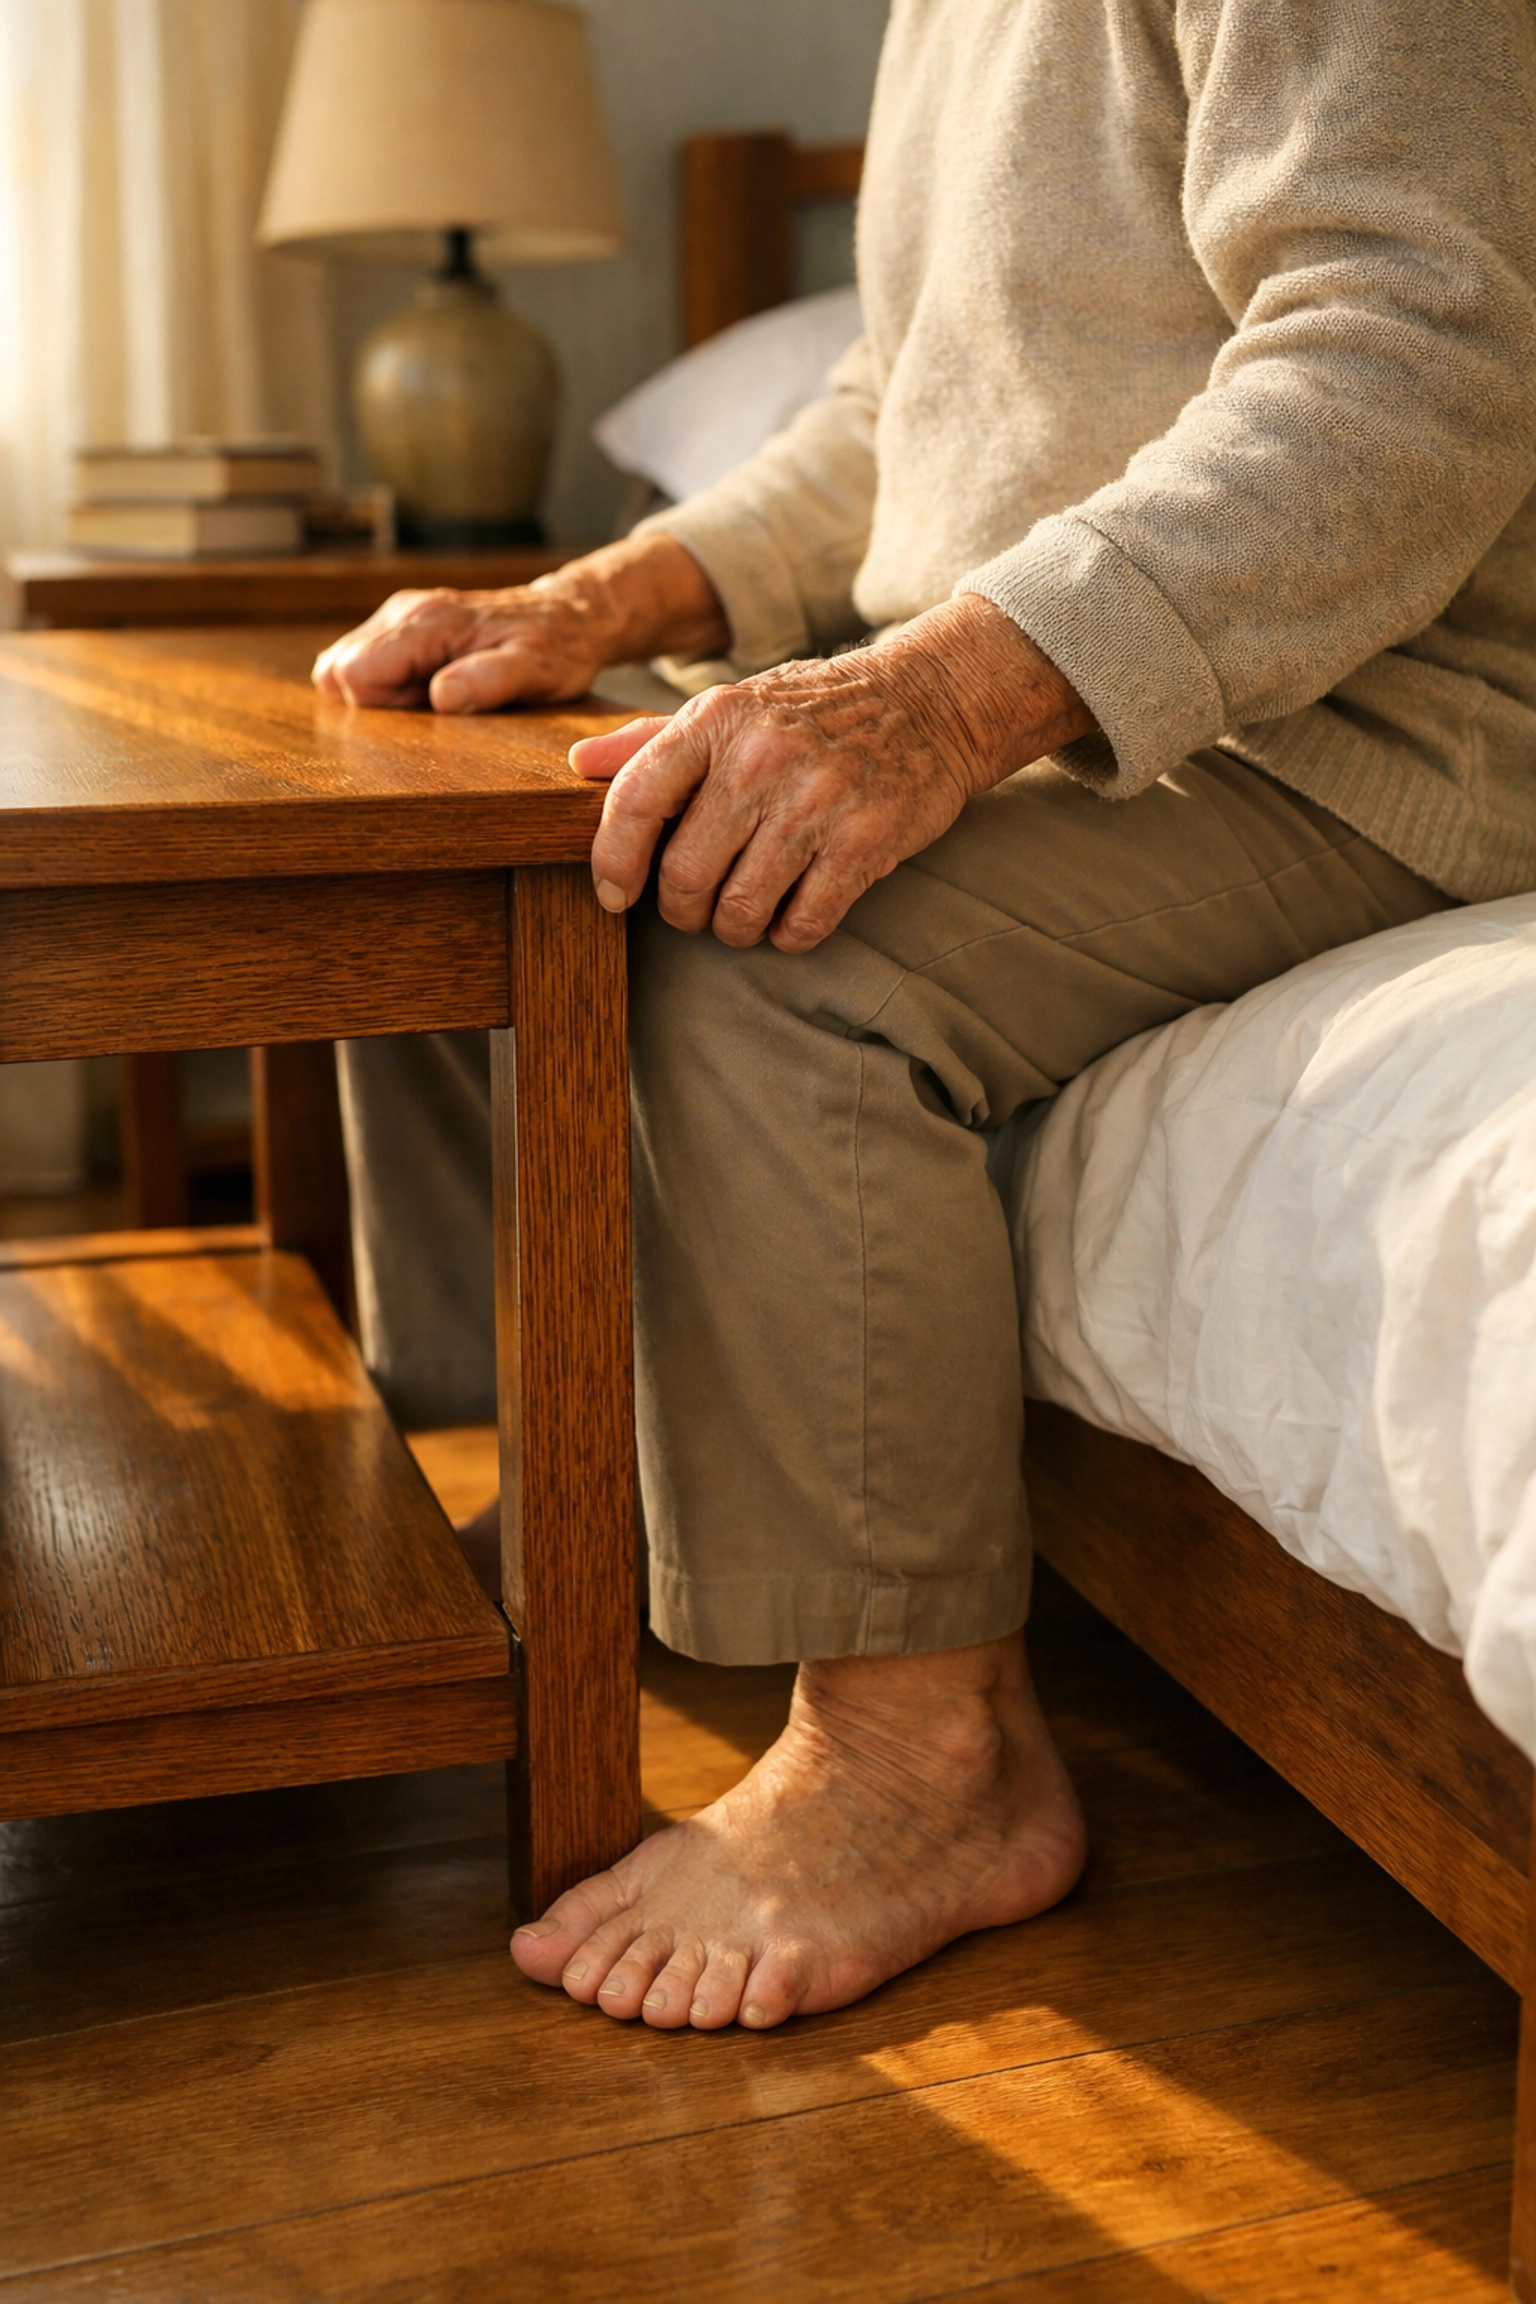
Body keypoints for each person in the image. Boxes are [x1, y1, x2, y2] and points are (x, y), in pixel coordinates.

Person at [314, 0, 1536, 2034]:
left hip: (1360, 724)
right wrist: (599, 601)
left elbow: (1410, 362)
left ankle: (926, 1759)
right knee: (479, 841)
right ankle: (567, 1490)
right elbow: (904, 402)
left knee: (754, 936)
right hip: (1086, 705)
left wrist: (939, 700)